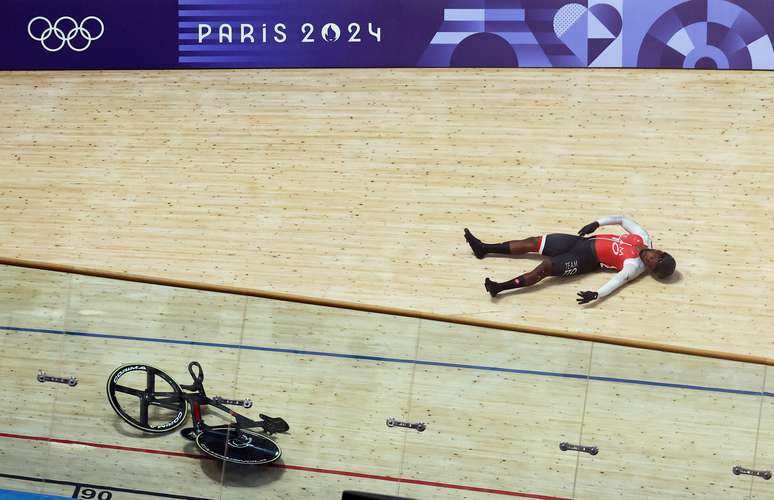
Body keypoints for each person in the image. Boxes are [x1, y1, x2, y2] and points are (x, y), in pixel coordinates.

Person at [464, 215, 675, 304]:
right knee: (533, 242)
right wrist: (597, 222)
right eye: (654, 257)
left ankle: (499, 288)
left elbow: (616, 282)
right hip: (578, 242)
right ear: (661, 252)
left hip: (583, 259)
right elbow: (622, 219)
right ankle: (483, 248)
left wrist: (597, 294)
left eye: (650, 265)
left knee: (545, 268)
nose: (648, 259)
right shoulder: (642, 236)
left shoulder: (633, 267)